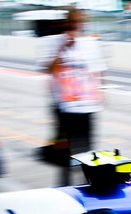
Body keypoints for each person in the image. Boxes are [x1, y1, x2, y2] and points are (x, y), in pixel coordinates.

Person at [42, 8, 106, 186]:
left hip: (87, 105)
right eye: (72, 23)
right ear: (66, 23)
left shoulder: (90, 44)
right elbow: (49, 69)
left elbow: (97, 71)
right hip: (64, 107)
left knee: (87, 151)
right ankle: (65, 186)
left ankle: (88, 185)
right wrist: (62, 48)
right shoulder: (55, 42)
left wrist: (101, 92)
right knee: (65, 152)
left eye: (79, 23)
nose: (76, 27)